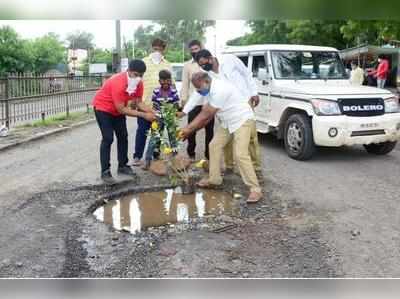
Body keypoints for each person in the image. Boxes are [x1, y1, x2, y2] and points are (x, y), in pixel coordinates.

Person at [180, 72, 263, 203]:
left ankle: (255, 189)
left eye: (199, 87)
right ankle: (214, 180)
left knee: (240, 154)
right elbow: (205, 113)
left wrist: (188, 129)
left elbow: (206, 115)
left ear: (206, 82)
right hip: (227, 121)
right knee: (214, 146)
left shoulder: (220, 89)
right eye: (196, 88)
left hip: (242, 119)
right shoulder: (208, 90)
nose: (198, 91)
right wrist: (189, 127)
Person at [191, 49, 262, 174]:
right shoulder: (207, 75)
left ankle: (256, 169)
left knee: (251, 140)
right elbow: (204, 93)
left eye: (204, 63)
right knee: (227, 138)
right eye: (200, 65)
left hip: (245, 102)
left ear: (211, 58)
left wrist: (254, 92)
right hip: (225, 108)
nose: (203, 67)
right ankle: (230, 166)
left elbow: (246, 73)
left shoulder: (229, 59)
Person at [92, 59, 156, 184]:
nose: (138, 78)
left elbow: (138, 102)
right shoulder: (118, 82)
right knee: (108, 138)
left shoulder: (138, 84)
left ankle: (122, 166)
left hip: (117, 111)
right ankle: (105, 171)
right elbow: (121, 109)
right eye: (136, 75)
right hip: (103, 108)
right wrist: (144, 115)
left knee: (123, 136)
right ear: (129, 71)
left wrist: (153, 112)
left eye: (141, 75)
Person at [133, 38, 173, 166]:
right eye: (155, 49)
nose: (157, 51)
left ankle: (155, 156)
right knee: (142, 131)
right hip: (144, 104)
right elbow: (136, 82)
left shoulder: (167, 64)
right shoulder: (143, 62)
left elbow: (171, 84)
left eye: (159, 49)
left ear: (163, 49)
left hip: (161, 104)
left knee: (157, 132)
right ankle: (137, 156)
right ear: (152, 48)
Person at [180, 40, 214, 161]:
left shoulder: (207, 63)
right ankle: (191, 153)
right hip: (194, 102)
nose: (194, 51)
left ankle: (209, 155)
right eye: (192, 50)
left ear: (201, 48)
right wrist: (183, 100)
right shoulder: (187, 65)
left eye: (196, 49)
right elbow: (185, 84)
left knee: (209, 130)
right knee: (192, 129)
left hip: (209, 102)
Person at [144, 70, 180, 169]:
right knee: (153, 138)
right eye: (163, 81)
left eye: (168, 81)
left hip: (170, 118)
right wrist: (156, 116)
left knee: (173, 138)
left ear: (170, 81)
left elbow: (176, 104)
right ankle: (147, 160)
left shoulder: (173, 91)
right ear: (159, 81)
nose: (166, 83)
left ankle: (176, 159)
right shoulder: (156, 91)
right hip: (158, 117)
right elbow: (155, 106)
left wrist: (173, 113)